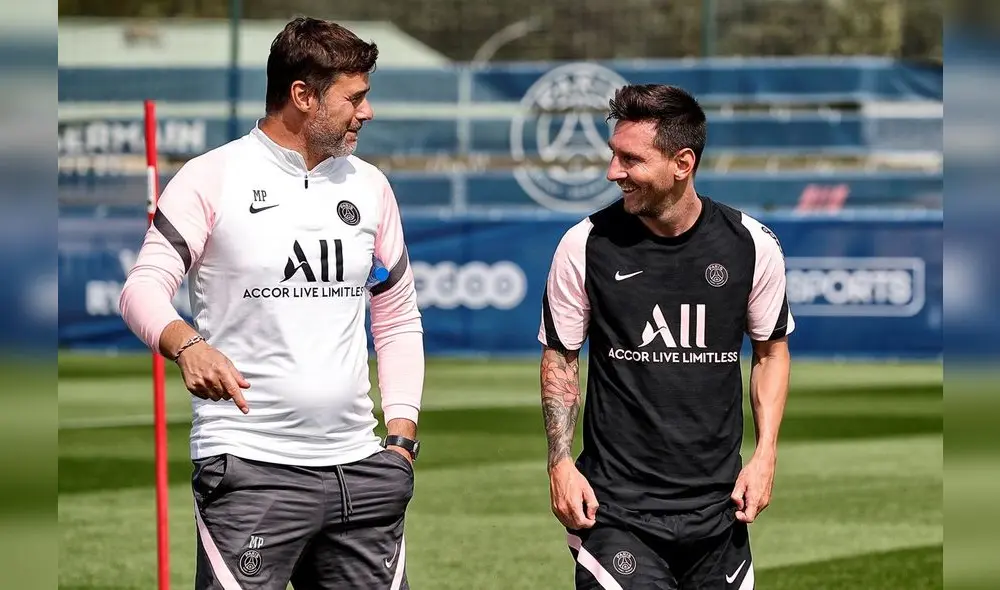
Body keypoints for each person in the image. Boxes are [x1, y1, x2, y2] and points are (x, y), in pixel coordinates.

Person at [119, 17, 423, 590]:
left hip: (361, 470)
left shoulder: (371, 186)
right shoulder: (210, 177)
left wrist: (401, 439)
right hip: (250, 468)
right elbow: (141, 287)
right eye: (354, 98)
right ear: (302, 96)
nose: (367, 112)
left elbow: (398, 316)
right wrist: (187, 345)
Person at [538, 83, 794, 589]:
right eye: (613, 156)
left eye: (630, 160)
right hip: (614, 512)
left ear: (682, 162)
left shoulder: (753, 245)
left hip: (720, 514)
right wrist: (560, 463)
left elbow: (771, 353)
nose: (614, 173)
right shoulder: (584, 244)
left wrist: (765, 456)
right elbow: (561, 360)